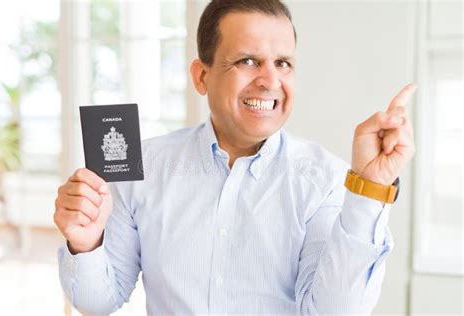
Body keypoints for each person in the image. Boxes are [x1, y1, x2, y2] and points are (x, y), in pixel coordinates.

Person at [54, 0, 416, 314]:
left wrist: (369, 190)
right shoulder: (144, 168)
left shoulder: (327, 181)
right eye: (248, 61)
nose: (270, 80)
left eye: (284, 63)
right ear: (201, 76)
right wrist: (85, 243)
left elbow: (332, 312)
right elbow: (99, 301)